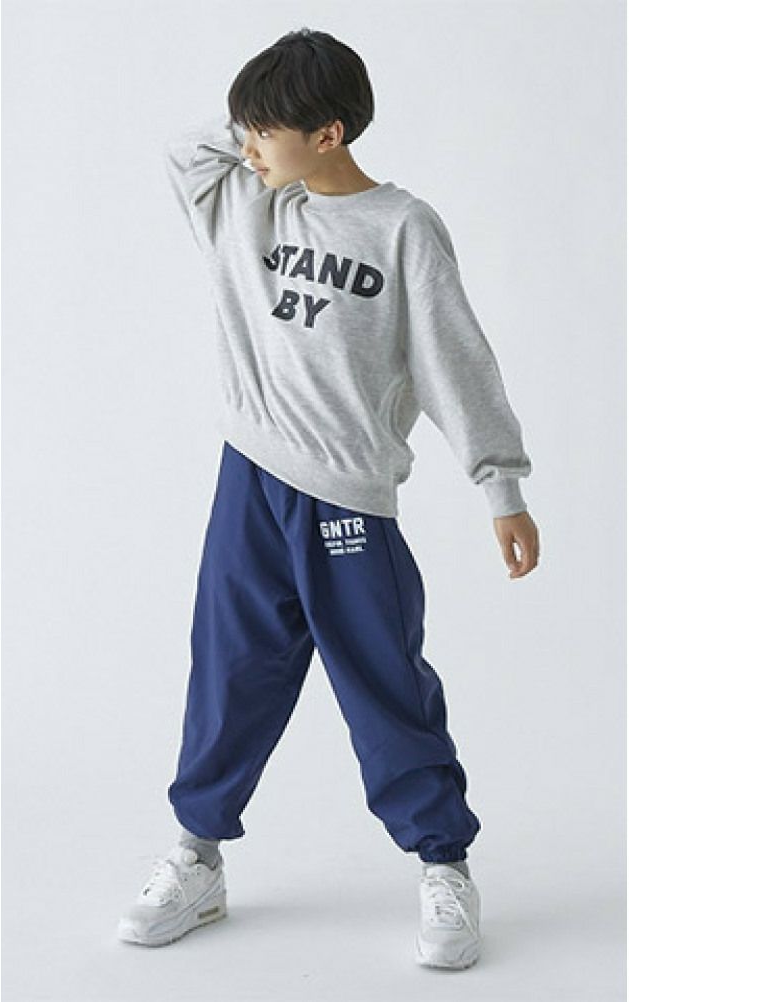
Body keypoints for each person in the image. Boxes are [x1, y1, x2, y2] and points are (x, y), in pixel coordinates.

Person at [117, 26, 540, 970]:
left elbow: (454, 359)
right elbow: (184, 150)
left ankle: (444, 863)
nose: (247, 146)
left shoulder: (402, 227)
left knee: (384, 682)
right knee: (228, 673)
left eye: (267, 131)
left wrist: (499, 485)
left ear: (331, 133)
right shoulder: (245, 203)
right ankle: (197, 856)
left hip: (348, 499)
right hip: (248, 482)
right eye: (245, 130)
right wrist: (257, 119)